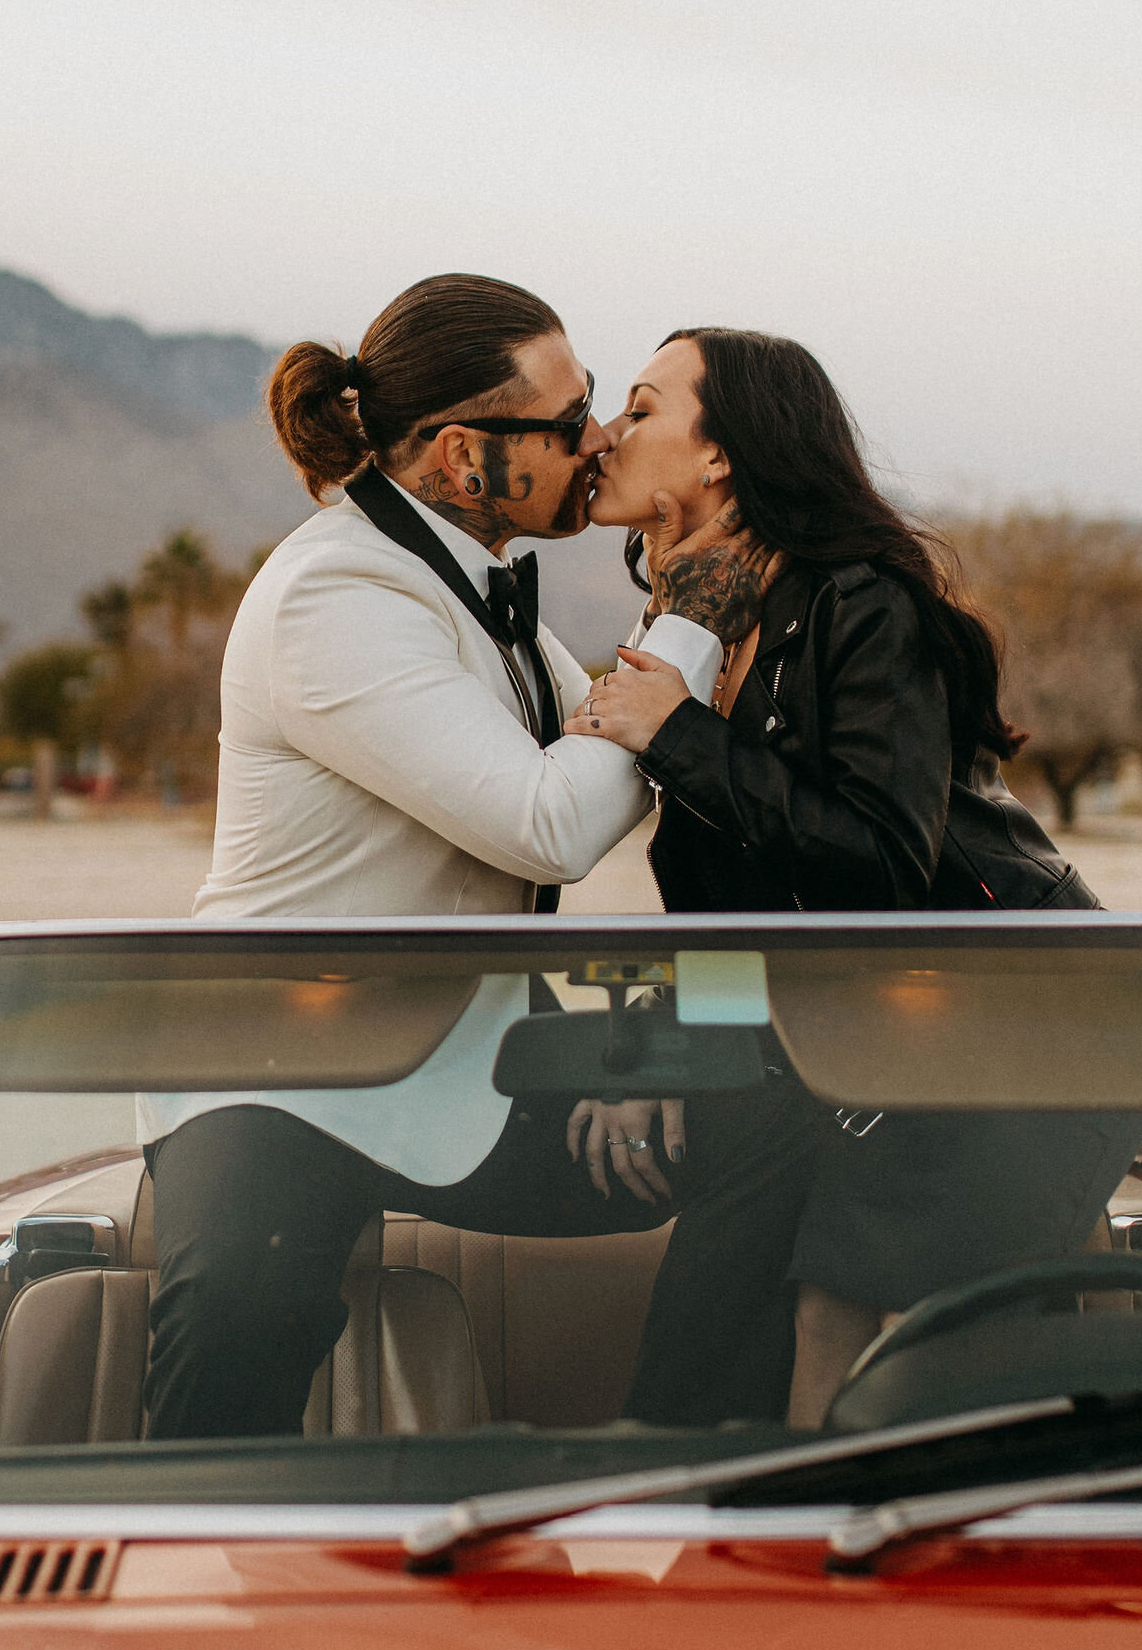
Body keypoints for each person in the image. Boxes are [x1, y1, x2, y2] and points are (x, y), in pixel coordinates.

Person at [141, 274, 814, 1438]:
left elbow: (607, 735)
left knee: (768, 1118)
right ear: (464, 455)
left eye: (598, 406)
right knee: (232, 1363)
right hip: (284, 1075)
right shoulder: (336, 596)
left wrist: (644, 1043)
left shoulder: (475, 585)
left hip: (463, 1058)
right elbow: (549, 819)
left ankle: (675, 1455)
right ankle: (175, 1596)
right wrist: (693, 615)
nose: (596, 440)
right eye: (567, 425)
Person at [568, 328, 1142, 1426]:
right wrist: (647, 1042)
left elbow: (881, 865)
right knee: (750, 1349)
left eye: (639, 409)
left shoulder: (859, 601)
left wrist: (680, 736)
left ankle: (853, 1572)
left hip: (1023, 1022)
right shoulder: (691, 624)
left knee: (876, 1349)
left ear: (719, 455)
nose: (601, 436)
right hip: (863, 1029)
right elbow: (717, 888)